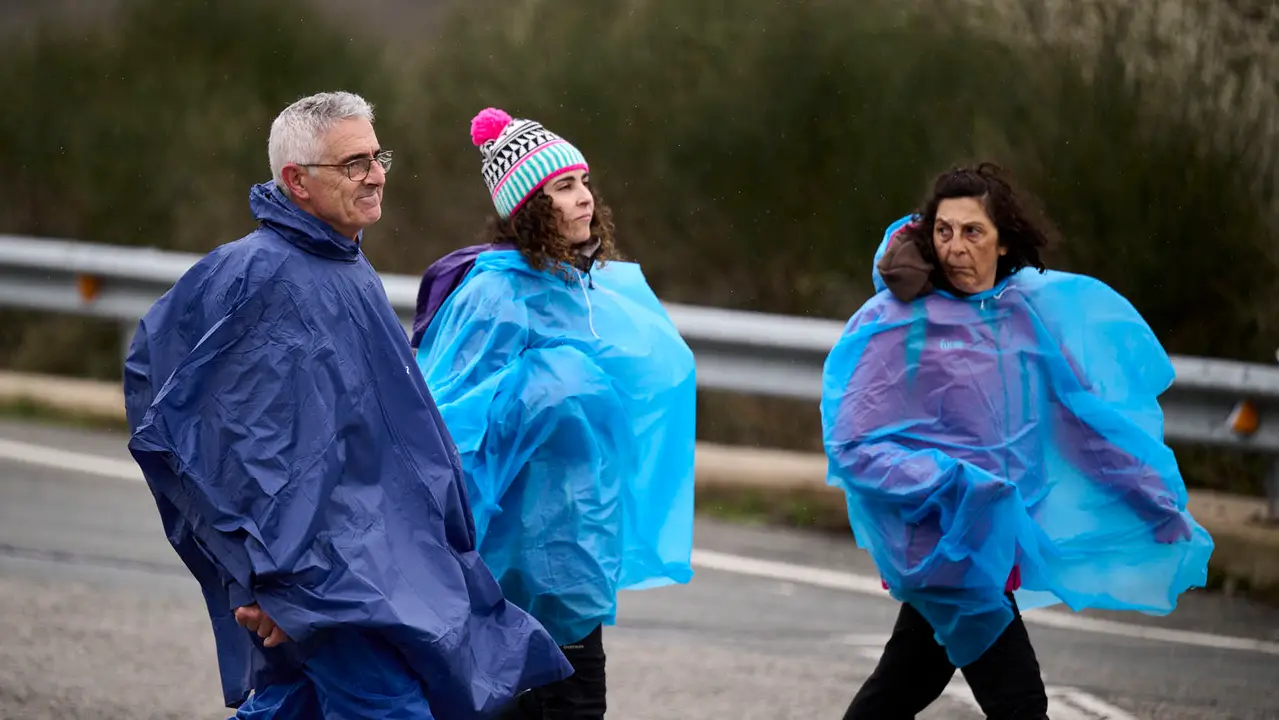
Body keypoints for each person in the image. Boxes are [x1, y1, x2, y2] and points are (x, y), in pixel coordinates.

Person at [122, 91, 572, 720]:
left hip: (371, 566)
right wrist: (262, 580)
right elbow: (227, 448)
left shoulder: (338, 262)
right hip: (327, 578)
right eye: (354, 163)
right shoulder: (269, 280)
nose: (377, 174)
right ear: (296, 182)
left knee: (298, 707)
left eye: (377, 155)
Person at [821, 163, 1215, 719]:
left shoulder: (1023, 316)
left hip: (990, 539)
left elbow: (1081, 424)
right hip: (937, 544)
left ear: (1003, 241)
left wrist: (1152, 502)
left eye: (972, 231)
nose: (955, 246)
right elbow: (852, 444)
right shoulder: (897, 321)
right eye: (944, 230)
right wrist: (952, 484)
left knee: (903, 686)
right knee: (1019, 703)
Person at [410, 107, 698, 719]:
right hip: (511, 570)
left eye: (584, 182)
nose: (585, 199)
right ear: (529, 205)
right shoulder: (494, 294)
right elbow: (448, 427)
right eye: (564, 187)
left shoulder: (582, 287)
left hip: (575, 558)